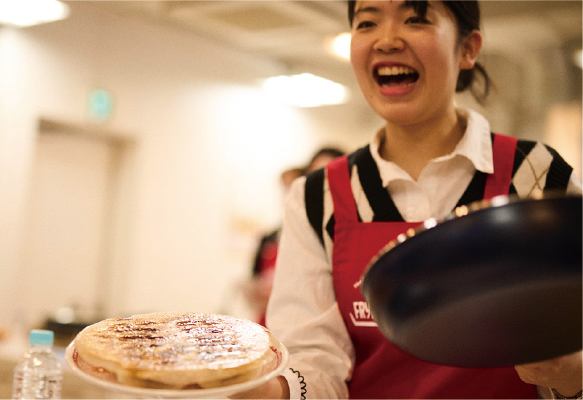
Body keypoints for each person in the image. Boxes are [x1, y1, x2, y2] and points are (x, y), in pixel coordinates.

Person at [241, 1, 579, 398]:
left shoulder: (538, 175)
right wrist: (265, 392)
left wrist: (574, 375)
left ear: (468, 48)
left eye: (415, 18)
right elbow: (316, 361)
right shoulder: (317, 197)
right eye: (367, 22)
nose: (386, 40)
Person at [247, 148, 344, 325]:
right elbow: (254, 279)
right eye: (315, 176)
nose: (322, 186)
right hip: (273, 325)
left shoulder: (349, 236)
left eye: (330, 176)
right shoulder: (273, 237)